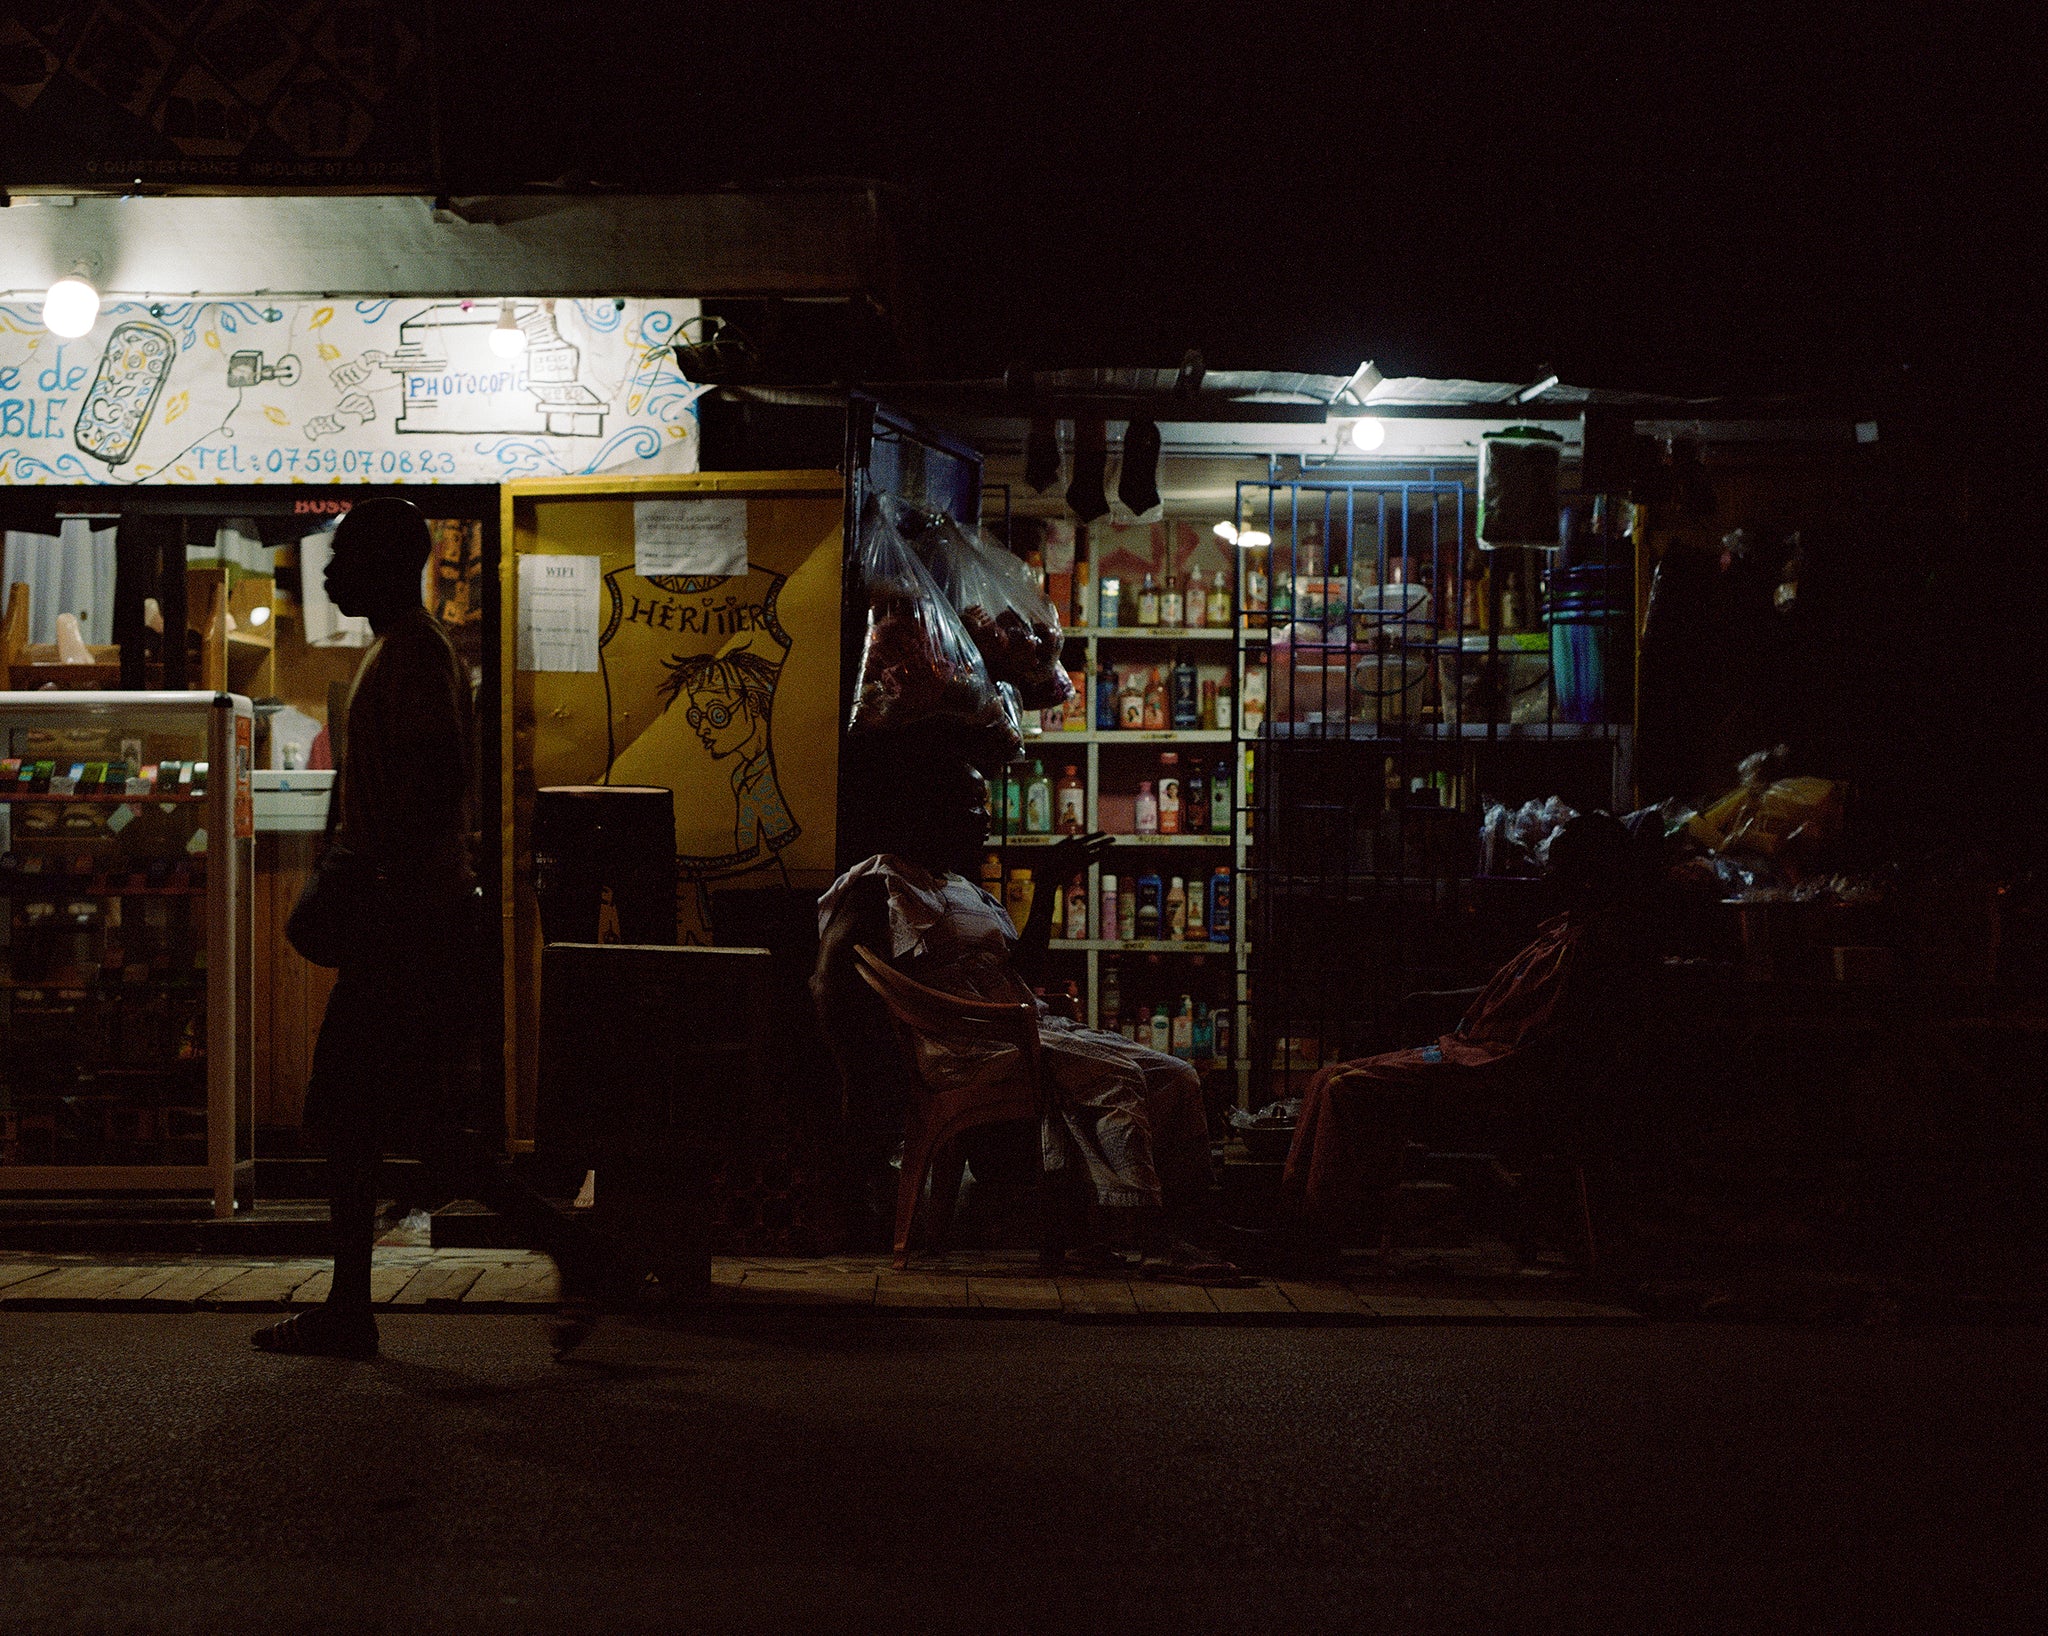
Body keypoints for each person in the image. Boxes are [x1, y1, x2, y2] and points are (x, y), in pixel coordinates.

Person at [253, 497, 613, 1359]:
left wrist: (375, 882)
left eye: (343, 557)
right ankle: (557, 1254)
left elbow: (434, 782)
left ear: (385, 563)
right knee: (393, 1126)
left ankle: (568, 1252)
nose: (330, 573)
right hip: (412, 925)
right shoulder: (404, 651)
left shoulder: (411, 655)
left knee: (380, 1124)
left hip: (405, 933)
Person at [812, 744, 1233, 1279]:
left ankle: (1188, 1225)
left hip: (1019, 1028)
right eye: (970, 804)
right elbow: (830, 978)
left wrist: (1049, 884)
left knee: (1176, 1075)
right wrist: (857, 1073)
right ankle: (1141, 1233)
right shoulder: (881, 883)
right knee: (1116, 1076)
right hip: (964, 1046)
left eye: (985, 804)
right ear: (926, 811)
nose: (984, 817)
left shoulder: (962, 888)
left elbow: (1020, 972)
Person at [1278, 812, 1645, 1250]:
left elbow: (1548, 1039)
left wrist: (1467, 1047)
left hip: (1499, 1074)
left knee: (1347, 1089)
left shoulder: (1597, 945)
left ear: (1588, 878)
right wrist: (1439, 1007)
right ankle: (1294, 1220)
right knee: (1325, 1077)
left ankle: (1324, 1233)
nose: (1549, 876)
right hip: (1474, 1053)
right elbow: (1509, 992)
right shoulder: (1565, 928)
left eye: (1560, 868)